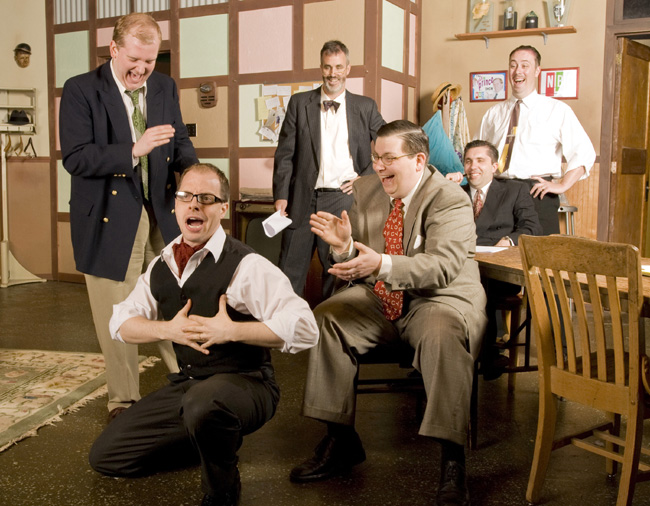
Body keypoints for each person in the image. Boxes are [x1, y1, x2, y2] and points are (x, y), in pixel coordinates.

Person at [88, 163, 319, 506]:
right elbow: (120, 322)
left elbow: (305, 327)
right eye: (186, 196)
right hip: (191, 383)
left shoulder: (247, 265)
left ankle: (221, 487)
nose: (194, 204)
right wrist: (167, 329)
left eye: (207, 198)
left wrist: (233, 330)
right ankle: (209, 439)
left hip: (248, 384)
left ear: (223, 209)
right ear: (176, 206)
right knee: (107, 457)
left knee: (204, 403)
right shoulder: (161, 264)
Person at [292, 120, 487, 506]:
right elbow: (361, 253)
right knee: (328, 317)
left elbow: (441, 267)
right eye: (374, 158)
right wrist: (345, 248)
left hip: (439, 296)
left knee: (443, 334)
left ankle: (453, 459)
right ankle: (342, 440)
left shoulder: (449, 198)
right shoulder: (367, 190)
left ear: (418, 160)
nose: (378, 167)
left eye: (387, 158)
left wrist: (379, 264)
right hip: (382, 295)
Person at [59, 12, 199, 421]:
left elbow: (180, 139)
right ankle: (123, 401)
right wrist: (133, 151)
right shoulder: (81, 89)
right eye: (133, 60)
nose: (141, 70)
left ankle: (188, 381)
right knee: (117, 311)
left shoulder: (164, 86)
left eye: (150, 61)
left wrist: (194, 174)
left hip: (160, 211)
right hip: (105, 216)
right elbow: (75, 156)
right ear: (114, 49)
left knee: (175, 299)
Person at [273, 40, 385, 300]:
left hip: (341, 199)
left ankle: (329, 334)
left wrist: (365, 176)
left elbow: (388, 143)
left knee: (336, 271)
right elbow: (285, 153)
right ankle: (283, 334)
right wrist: (280, 195)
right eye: (327, 67)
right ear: (321, 68)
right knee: (288, 271)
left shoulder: (365, 106)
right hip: (301, 199)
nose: (332, 73)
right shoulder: (299, 103)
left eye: (338, 67)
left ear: (348, 69)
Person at [478, 45, 596, 235]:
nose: (518, 71)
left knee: (539, 257)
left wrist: (562, 185)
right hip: (498, 192)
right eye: (513, 65)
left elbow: (584, 153)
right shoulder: (493, 114)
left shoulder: (557, 110)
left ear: (537, 71)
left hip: (536, 193)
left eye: (525, 65)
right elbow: (479, 153)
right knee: (493, 253)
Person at [462, 139, 541, 379]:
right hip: (462, 266)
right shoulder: (454, 192)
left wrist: (509, 240)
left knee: (480, 288)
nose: (473, 166)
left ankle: (486, 356)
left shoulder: (514, 191)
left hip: (498, 271)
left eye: (480, 160)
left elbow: (532, 228)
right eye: (467, 161)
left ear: (494, 166)